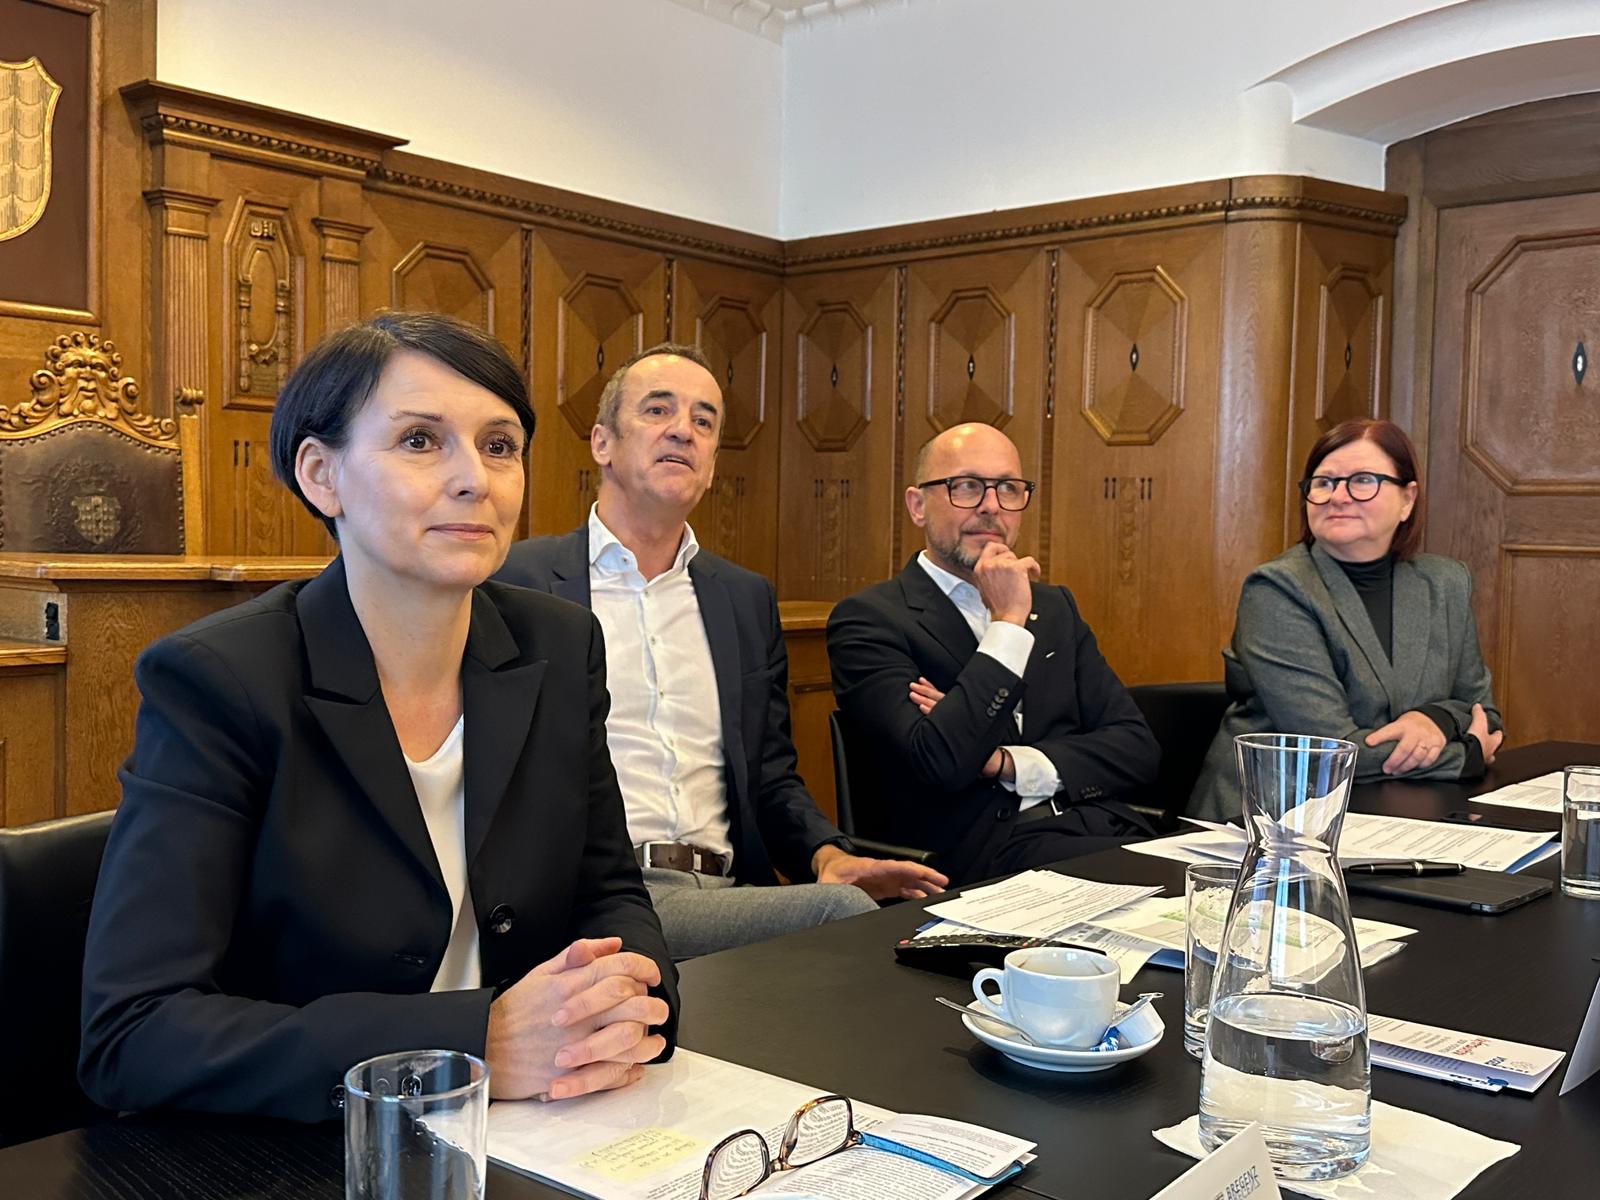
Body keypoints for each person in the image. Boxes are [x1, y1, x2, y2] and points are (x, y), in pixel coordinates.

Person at [79, 313, 676, 1122]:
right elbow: (133, 1031)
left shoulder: (561, 646)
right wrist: (468, 1045)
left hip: (544, 1122)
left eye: (499, 445)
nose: (475, 479)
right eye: (420, 441)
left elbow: (610, 894)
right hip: (300, 1146)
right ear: (321, 475)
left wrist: (624, 1001)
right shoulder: (220, 679)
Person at [497, 344, 946, 958]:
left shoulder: (742, 598)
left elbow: (770, 775)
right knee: (845, 920)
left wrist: (826, 854)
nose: (683, 430)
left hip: (727, 890)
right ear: (602, 442)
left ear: (710, 463)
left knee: (892, 923)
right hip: (589, 899)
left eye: (703, 421)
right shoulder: (515, 582)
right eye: (658, 410)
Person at [826, 422, 1158, 886]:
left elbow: (1137, 748)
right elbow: (940, 761)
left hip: (1100, 827)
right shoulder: (871, 619)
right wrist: (1008, 622)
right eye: (966, 486)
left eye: (1007, 488)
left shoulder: (1055, 608)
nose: (991, 505)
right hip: (982, 859)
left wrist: (1007, 761)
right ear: (918, 506)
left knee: (1231, 880)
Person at [1188, 418, 1503, 823]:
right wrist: (1466, 755)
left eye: (1362, 481)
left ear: (1407, 499)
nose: (1338, 497)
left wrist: (1436, 719)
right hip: (1278, 820)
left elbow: (1484, 715)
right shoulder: (1277, 589)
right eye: (1324, 483)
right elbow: (1332, 752)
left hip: (1399, 812)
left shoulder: (1444, 583)